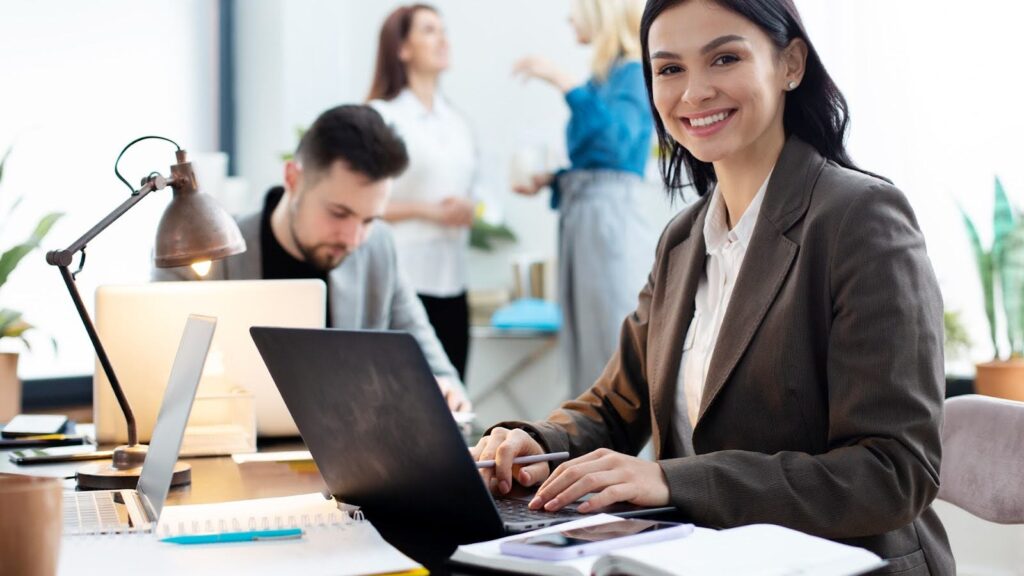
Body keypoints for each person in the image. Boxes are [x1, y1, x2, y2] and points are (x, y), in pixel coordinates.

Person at [473, 0, 954, 573]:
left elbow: (893, 471)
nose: (694, 92)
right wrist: (538, 443)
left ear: (791, 64)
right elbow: (616, 404)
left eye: (723, 58)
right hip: (703, 559)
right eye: (670, 68)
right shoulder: (683, 238)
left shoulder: (862, 219)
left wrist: (669, 479)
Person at [154, 104, 470, 412]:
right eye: (339, 213)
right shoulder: (204, 253)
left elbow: (440, 370)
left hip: (350, 460)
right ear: (293, 178)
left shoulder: (378, 249)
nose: (353, 238)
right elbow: (158, 381)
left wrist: (443, 390)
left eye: (369, 219)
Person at [512, 0, 656, 397]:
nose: (570, 19)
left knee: (609, 342)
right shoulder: (603, 79)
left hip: (608, 221)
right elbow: (599, 159)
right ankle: (589, 451)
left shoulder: (630, 72)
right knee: (585, 346)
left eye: (576, 9)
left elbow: (615, 145)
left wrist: (561, 81)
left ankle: (621, 454)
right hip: (586, 216)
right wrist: (552, 180)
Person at [367, 4, 477, 382]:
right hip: (407, 280)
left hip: (454, 282)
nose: (443, 39)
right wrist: (428, 211)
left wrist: (469, 208)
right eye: (429, 31)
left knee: (453, 401)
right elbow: (363, 204)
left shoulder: (457, 120)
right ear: (402, 48)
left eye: (443, 30)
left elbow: (472, 190)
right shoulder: (383, 116)